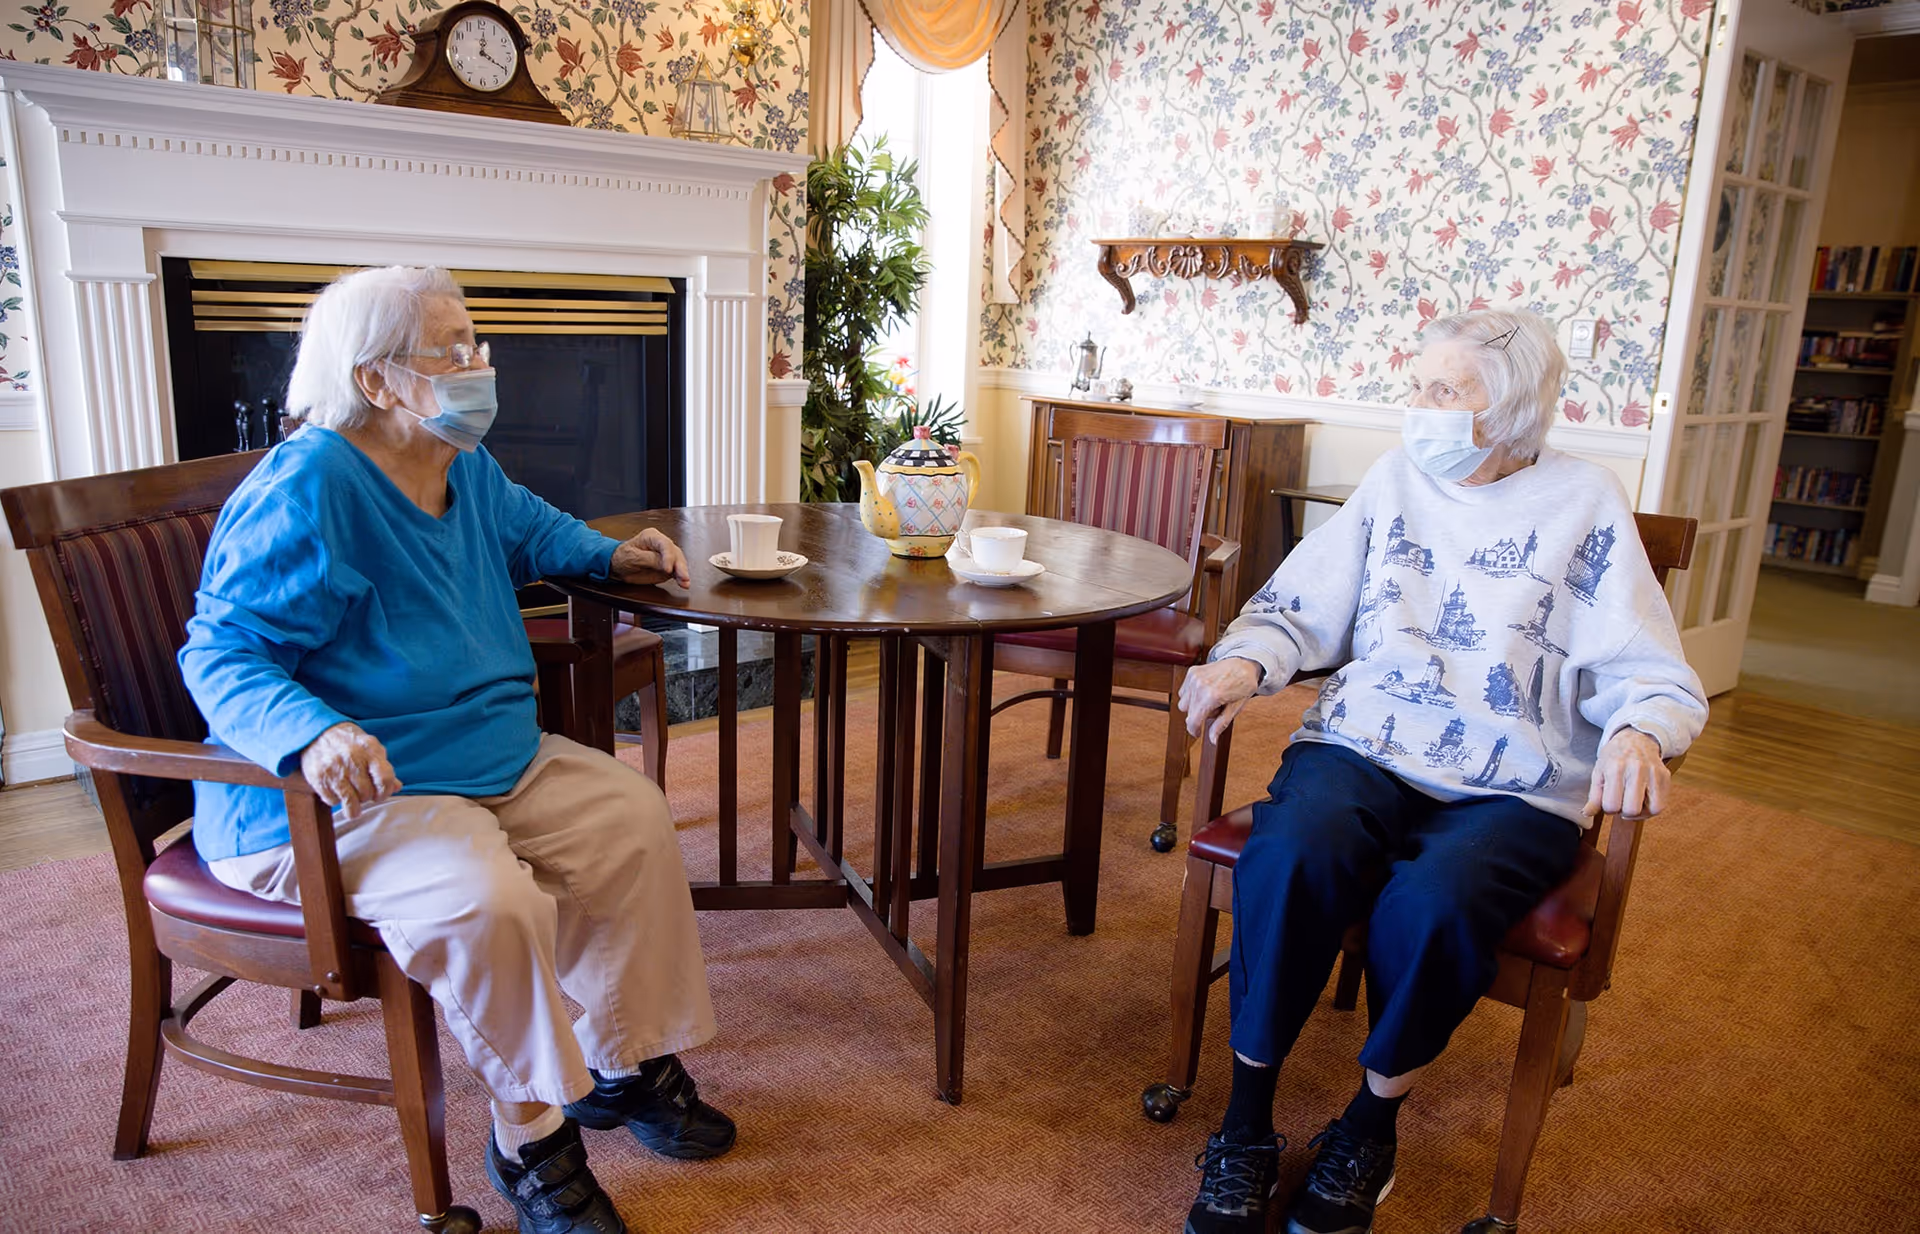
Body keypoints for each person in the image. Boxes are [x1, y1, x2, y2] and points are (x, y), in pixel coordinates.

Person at [181, 266, 725, 1234]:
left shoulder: (457, 461)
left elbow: (527, 530)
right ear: (379, 380)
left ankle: (623, 1064)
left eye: (479, 343)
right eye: (458, 349)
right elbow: (219, 652)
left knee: (630, 818)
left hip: (482, 757)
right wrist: (310, 730)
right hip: (349, 793)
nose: (482, 366)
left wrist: (610, 554)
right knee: (490, 898)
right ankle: (530, 1140)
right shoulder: (309, 487)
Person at [1173, 309, 1708, 1234]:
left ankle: (1370, 1126)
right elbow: (1300, 604)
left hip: (1517, 779)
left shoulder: (1584, 503)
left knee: (1433, 902)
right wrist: (1247, 659)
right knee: (1293, 849)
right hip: (1370, 740)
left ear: (1505, 416)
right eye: (1416, 385)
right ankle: (1245, 1124)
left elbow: (1651, 669)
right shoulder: (1397, 478)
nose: (1415, 407)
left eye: (1440, 391)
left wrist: (1641, 733)